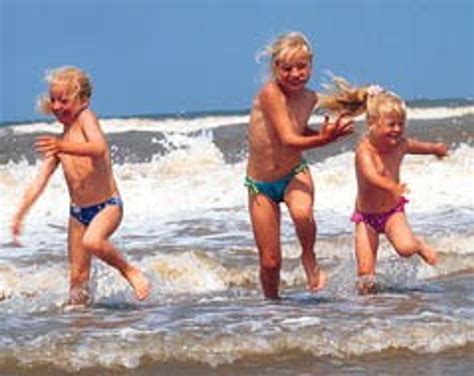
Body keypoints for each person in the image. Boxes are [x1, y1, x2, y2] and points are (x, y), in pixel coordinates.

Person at [11, 66, 151, 305]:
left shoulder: (87, 119)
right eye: (53, 100)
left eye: (63, 100)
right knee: (77, 280)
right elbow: (39, 181)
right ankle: (81, 326)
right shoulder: (60, 141)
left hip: (108, 206)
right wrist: (20, 214)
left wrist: (62, 147)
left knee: (93, 241)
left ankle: (130, 271)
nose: (56, 106)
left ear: (83, 100)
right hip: (78, 214)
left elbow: (98, 148)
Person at [245, 32, 354, 299]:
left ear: (310, 65)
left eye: (301, 67)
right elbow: (288, 138)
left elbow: (298, 129)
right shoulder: (270, 93)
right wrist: (325, 138)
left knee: (303, 215)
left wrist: (322, 131)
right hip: (261, 185)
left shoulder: (310, 98)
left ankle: (309, 255)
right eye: (287, 68)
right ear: (276, 69)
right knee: (270, 262)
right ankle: (272, 306)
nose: (295, 74)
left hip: (294, 173)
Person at [321, 78, 448, 294]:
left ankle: (418, 245)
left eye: (401, 124)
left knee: (405, 249)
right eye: (391, 125)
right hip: (365, 218)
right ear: (373, 124)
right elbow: (370, 175)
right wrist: (391, 185)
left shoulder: (400, 145)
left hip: (392, 213)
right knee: (365, 276)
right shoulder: (365, 151)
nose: (397, 130)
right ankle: (371, 315)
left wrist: (434, 148)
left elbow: (417, 146)